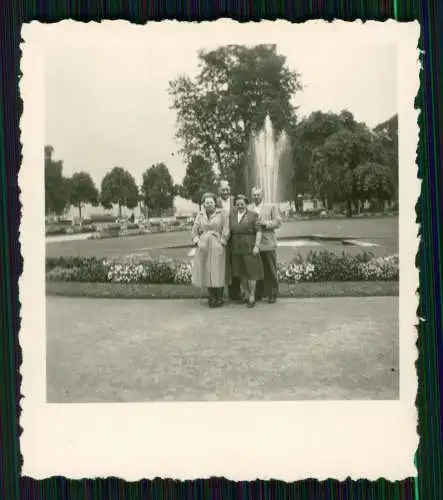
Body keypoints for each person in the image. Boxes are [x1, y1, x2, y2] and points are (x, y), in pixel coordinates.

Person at [191, 192, 230, 308]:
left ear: (215, 203)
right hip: (204, 246)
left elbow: (226, 229)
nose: (209, 205)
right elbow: (194, 230)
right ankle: (211, 296)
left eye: (211, 202)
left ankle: (219, 296)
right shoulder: (200, 215)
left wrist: (222, 242)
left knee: (217, 271)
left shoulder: (222, 213)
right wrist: (197, 241)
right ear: (203, 204)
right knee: (206, 271)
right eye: (206, 202)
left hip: (217, 245)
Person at [229, 195, 264, 308]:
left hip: (249, 246)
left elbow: (258, 232)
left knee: (251, 272)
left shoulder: (253, 215)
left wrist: (257, 246)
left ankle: (252, 296)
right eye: (237, 204)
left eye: (242, 204)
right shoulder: (232, 216)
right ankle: (246, 294)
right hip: (236, 247)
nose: (239, 206)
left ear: (246, 204)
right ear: (235, 205)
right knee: (241, 272)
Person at [250, 187, 282, 303]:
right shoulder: (249, 208)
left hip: (268, 242)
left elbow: (278, 222)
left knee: (270, 268)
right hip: (255, 243)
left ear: (262, 195)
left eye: (258, 195)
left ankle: (272, 293)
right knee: (258, 269)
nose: (256, 197)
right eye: (254, 195)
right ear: (251, 196)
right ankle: (259, 293)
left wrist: (265, 223)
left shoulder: (271, 206)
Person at [216, 180, 242, 301]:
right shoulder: (215, 202)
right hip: (221, 239)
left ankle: (235, 293)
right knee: (221, 265)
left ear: (230, 189)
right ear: (219, 190)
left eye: (227, 189)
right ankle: (219, 294)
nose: (225, 192)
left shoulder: (235, 201)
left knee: (235, 265)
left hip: (235, 238)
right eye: (223, 189)